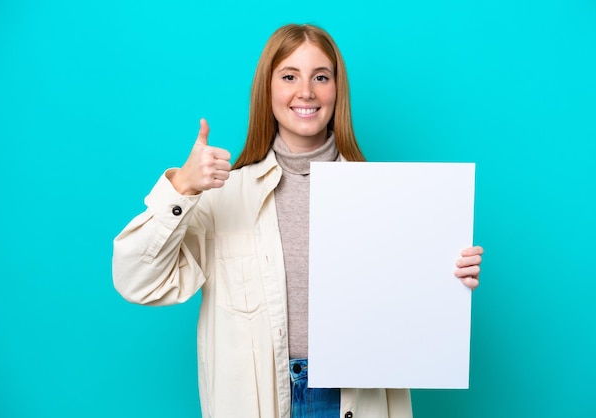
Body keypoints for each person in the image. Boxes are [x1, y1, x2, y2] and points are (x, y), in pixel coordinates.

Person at [112, 23, 484, 418]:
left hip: (352, 397)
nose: (305, 91)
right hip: (259, 399)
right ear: (267, 90)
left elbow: (411, 308)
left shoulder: (387, 197)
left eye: (320, 77)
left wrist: (448, 278)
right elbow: (136, 281)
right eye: (289, 76)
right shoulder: (222, 196)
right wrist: (182, 187)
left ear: (336, 91)